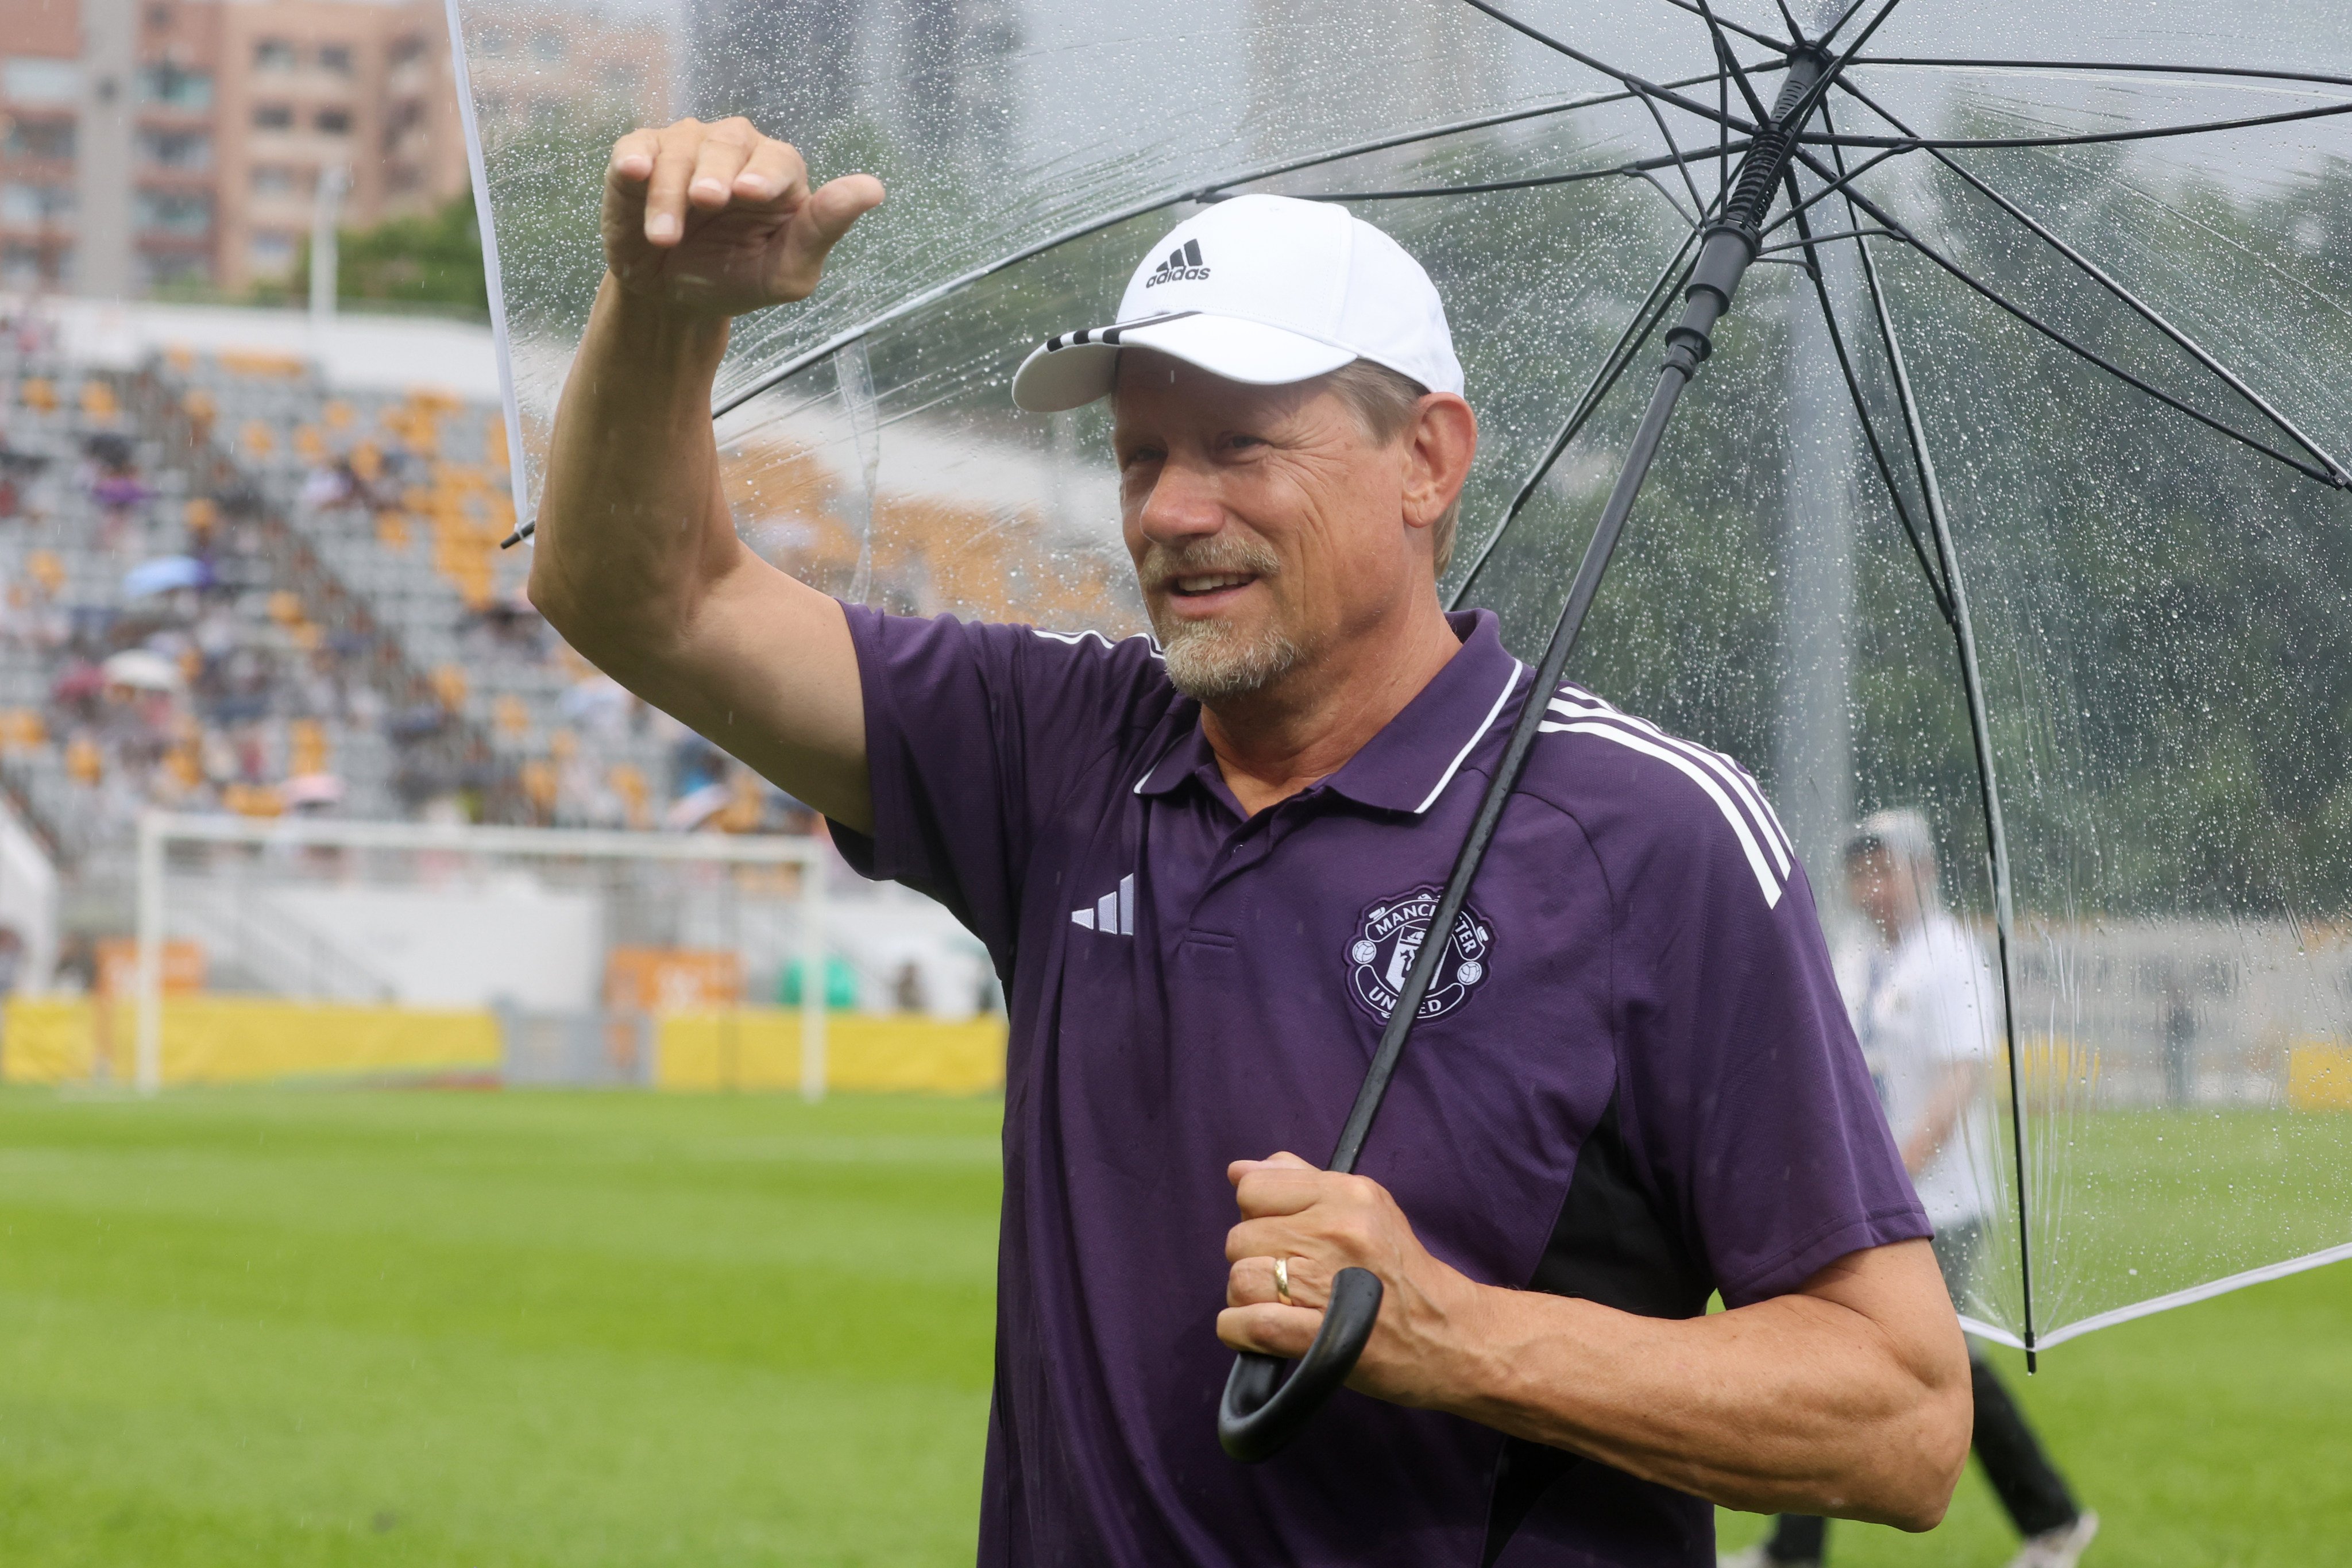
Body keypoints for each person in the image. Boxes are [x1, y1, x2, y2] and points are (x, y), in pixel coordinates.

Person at [530, 115, 1972, 1566]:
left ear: (1426, 460)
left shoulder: (1651, 837)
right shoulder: (1059, 749)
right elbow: (642, 597)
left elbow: (1901, 1418)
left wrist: (1458, 1338)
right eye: (1138, 454)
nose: (1169, 510)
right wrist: (666, 311)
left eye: (1239, 445)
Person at [1727, 810, 2097, 1568]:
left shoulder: (1949, 955)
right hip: (1869, 1196)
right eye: (1860, 872)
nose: (1872, 886)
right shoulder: (1861, 953)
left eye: (1885, 869)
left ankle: (2055, 1518)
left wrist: (1888, 1175)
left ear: (1924, 872)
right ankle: (1799, 1548)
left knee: (1943, 1359)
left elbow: (1960, 1082)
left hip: (1938, 1201)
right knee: (1834, 1352)